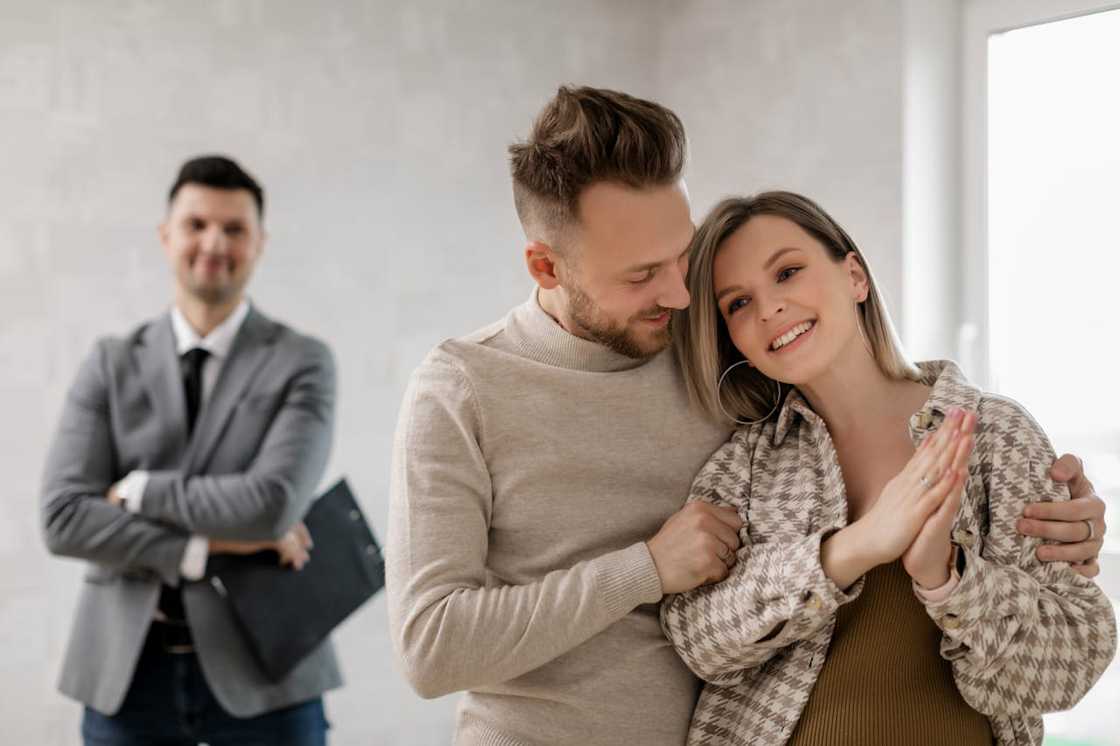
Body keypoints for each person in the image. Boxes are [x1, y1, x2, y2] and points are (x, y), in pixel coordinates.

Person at [387, 87, 1108, 745]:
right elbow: (430, 648)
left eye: (683, 257)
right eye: (643, 275)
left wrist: (1063, 514)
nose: (678, 296)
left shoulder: (729, 376)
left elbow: (862, 395)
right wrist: (648, 568)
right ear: (546, 268)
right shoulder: (463, 389)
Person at [662, 191, 1117, 745]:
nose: (768, 308)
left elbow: (1071, 663)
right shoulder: (743, 466)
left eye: (788, 271)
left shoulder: (995, 435)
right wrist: (849, 551)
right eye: (737, 303)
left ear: (855, 275)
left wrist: (946, 576)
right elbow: (698, 640)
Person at [41, 155, 339, 745]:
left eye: (234, 229)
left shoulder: (302, 361)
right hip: (127, 672)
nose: (214, 243)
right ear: (165, 235)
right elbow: (64, 518)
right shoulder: (110, 361)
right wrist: (207, 545)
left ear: (260, 243)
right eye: (197, 224)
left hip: (267, 669)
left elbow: (271, 505)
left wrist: (137, 491)